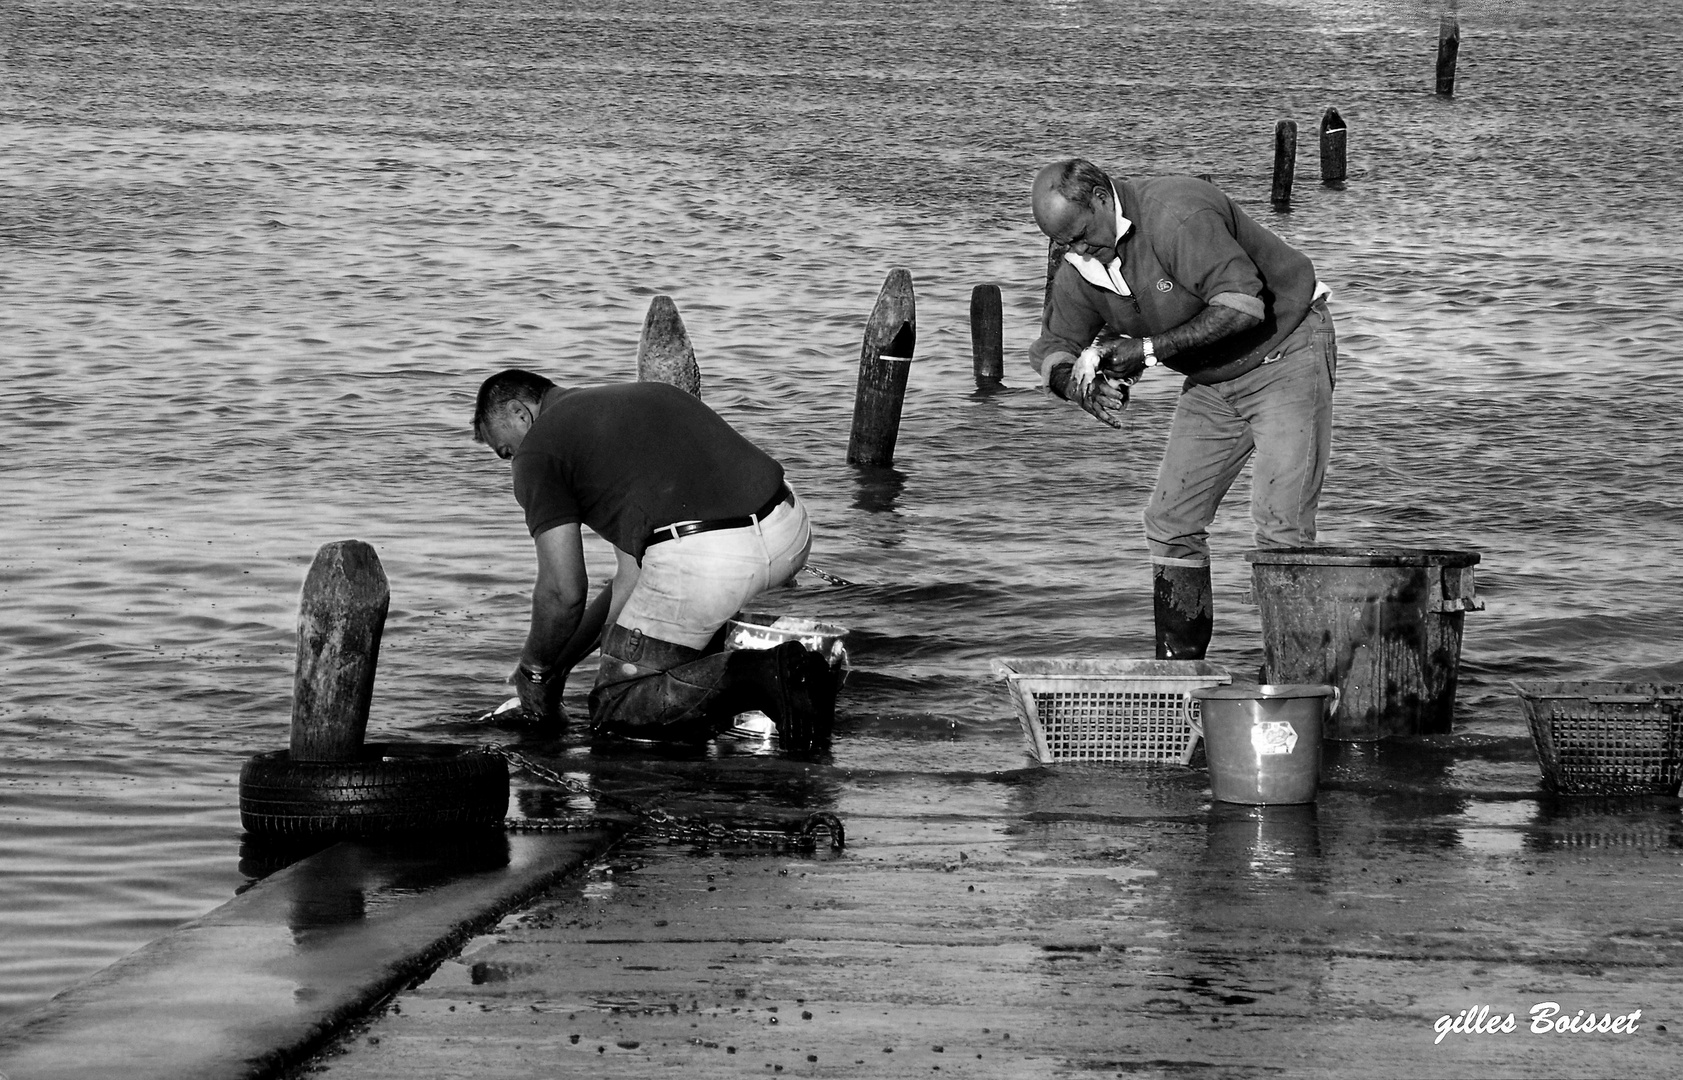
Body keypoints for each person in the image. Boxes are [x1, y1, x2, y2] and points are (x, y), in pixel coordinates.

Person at [1028, 158, 1337, 660]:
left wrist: (1146, 351)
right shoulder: (1079, 262)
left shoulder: (1176, 212)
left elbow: (1243, 305)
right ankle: (1179, 674)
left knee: (1281, 525)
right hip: (1214, 379)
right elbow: (1053, 346)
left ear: (1103, 198)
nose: (1077, 250)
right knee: (1170, 521)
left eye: (1082, 235)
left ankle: (1297, 680)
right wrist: (1080, 387)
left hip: (1287, 353)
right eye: (1064, 243)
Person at [471, 369, 835, 750]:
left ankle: (764, 673)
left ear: (519, 413)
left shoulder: (539, 449)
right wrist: (560, 665)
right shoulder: (638, 398)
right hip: (790, 527)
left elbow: (563, 592)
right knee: (652, 654)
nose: (511, 461)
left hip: (712, 557)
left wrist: (534, 670)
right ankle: (776, 675)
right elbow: (630, 582)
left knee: (616, 707)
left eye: (505, 451)